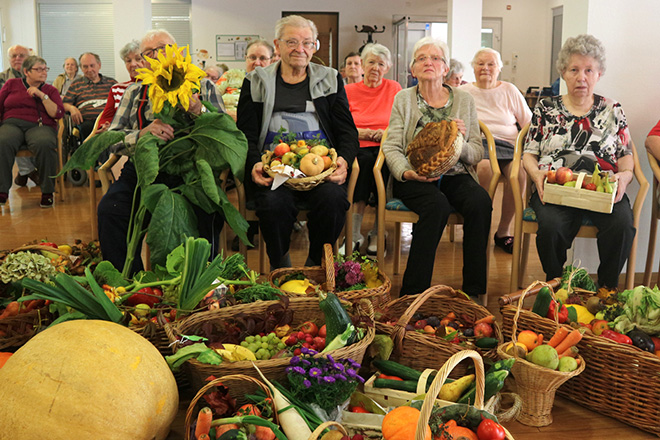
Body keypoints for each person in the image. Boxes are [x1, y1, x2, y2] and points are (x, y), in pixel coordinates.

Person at [98, 29, 226, 273]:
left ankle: (197, 285)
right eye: (149, 52)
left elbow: (223, 133)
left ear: (177, 52)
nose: (157, 55)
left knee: (207, 210)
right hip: (143, 174)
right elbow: (112, 138)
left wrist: (199, 110)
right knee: (111, 210)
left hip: (192, 171)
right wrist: (142, 134)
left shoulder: (204, 86)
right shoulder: (134, 92)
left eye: (163, 48)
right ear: (144, 60)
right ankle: (130, 286)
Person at [237, 15, 359, 269]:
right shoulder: (255, 81)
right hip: (274, 170)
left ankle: (315, 263)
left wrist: (344, 161)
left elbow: (347, 131)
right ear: (277, 45)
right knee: (272, 204)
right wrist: (253, 164)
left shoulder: (330, 78)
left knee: (334, 201)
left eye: (307, 42)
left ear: (315, 46)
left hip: (320, 171)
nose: (300, 49)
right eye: (292, 42)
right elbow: (245, 133)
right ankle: (281, 265)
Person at [523, 34, 635, 289]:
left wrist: (624, 177)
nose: (581, 77)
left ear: (599, 73)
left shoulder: (613, 109)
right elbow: (529, 153)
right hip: (555, 188)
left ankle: (607, 289)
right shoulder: (546, 107)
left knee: (622, 225)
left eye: (588, 70)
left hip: (602, 189)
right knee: (551, 226)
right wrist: (536, 174)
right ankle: (557, 285)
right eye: (574, 69)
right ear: (563, 72)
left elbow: (625, 155)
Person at [382, 36, 491, 299]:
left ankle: (473, 293)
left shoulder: (464, 100)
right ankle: (413, 294)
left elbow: (477, 153)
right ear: (413, 69)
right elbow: (392, 146)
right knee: (436, 206)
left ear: (445, 69)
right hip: (414, 175)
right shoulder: (403, 99)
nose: (428, 62)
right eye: (421, 58)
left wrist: (459, 142)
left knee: (480, 202)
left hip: (456, 174)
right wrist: (407, 172)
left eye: (436, 58)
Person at [460, 48, 532, 254]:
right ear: (473, 67)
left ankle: (503, 232)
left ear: (499, 68)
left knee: (518, 174)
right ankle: (478, 228)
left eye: (491, 64)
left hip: (507, 147)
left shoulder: (509, 90)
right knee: (486, 170)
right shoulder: (464, 93)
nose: (485, 68)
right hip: (478, 145)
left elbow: (528, 123)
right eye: (480, 64)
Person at [344, 43, 401, 256]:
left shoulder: (394, 88)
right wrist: (363, 133)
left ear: (387, 67)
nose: (375, 68)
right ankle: (354, 232)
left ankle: (378, 232)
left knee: (383, 163)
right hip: (357, 144)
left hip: (385, 146)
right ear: (362, 66)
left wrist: (383, 132)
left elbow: (399, 121)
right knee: (363, 163)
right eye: (371, 62)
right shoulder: (348, 90)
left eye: (381, 64)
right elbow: (341, 124)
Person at [0, 56, 65, 207]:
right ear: (26, 72)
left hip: (39, 125)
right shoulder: (11, 84)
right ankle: (2, 191)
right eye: (38, 69)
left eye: (45, 69)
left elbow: (58, 113)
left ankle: (48, 192)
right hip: (12, 124)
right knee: (2, 140)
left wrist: (42, 96)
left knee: (45, 143)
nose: (43, 72)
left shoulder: (50, 89)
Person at [230, 38, 275, 252]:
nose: (257, 62)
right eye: (252, 58)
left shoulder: (274, 86)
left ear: (272, 60)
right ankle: (248, 225)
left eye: (262, 58)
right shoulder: (235, 84)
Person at [0, 44, 39, 187]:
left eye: (21, 56)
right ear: (9, 59)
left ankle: (24, 172)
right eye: (14, 56)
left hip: (34, 118)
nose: (17, 58)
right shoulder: (2, 78)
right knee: (11, 136)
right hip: (9, 120)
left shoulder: (36, 75)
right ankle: (28, 171)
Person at [63, 52, 117, 140]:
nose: (89, 69)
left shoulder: (112, 83)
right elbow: (63, 105)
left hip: (109, 121)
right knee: (89, 129)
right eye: (85, 67)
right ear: (81, 68)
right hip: (87, 123)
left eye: (92, 65)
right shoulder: (76, 84)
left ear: (99, 65)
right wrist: (71, 108)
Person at [97, 40, 145, 129]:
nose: (133, 64)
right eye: (128, 61)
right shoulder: (116, 89)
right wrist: (105, 126)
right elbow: (106, 118)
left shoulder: (156, 86)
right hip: (121, 138)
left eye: (138, 59)